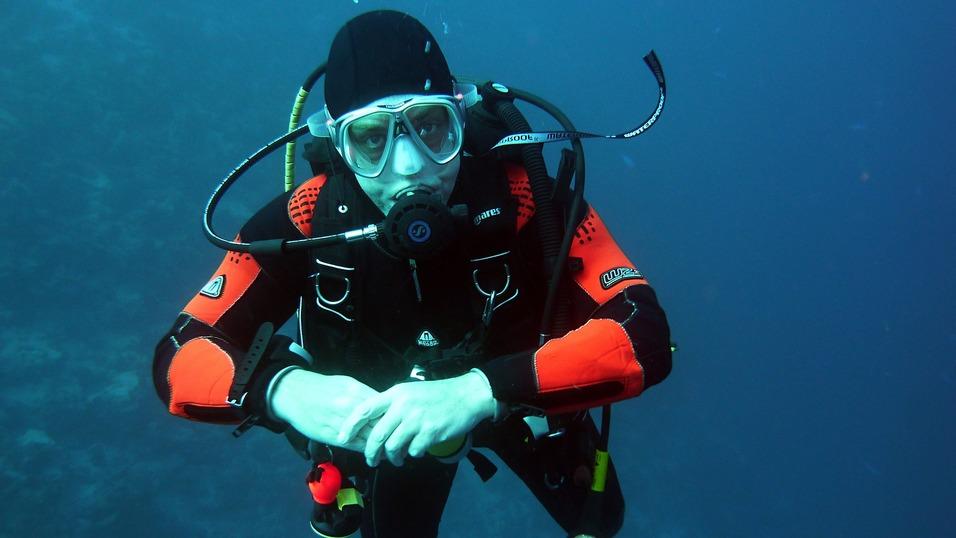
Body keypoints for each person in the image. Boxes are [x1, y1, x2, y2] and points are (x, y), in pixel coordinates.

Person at [152, 10, 672, 538]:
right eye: (371, 138)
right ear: (337, 143)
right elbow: (178, 352)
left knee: (601, 520)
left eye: (429, 127)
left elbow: (645, 331)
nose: (408, 166)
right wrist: (281, 391)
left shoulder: (527, 199)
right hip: (388, 434)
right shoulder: (306, 220)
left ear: (460, 119)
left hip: (519, 402)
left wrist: (479, 392)